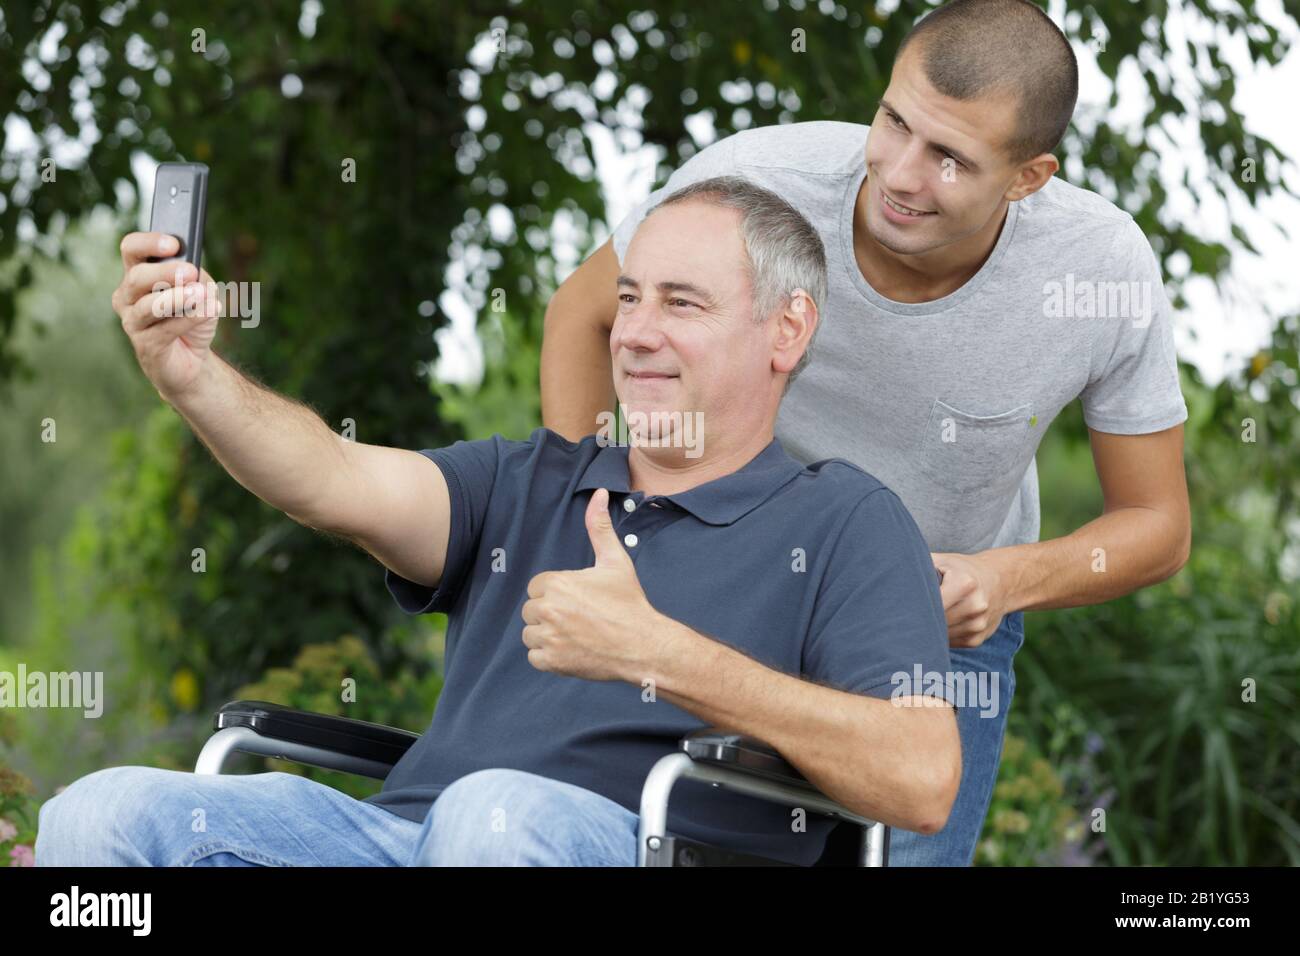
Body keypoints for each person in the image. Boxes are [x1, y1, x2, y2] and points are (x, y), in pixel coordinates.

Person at [37, 176, 958, 867]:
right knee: (97, 814)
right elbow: (327, 477)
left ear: (787, 331)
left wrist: (659, 654)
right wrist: (192, 377)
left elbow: (920, 780)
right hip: (404, 840)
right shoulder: (530, 480)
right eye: (630, 296)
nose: (634, 332)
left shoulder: (846, 521)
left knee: (496, 816)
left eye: (682, 303)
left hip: (639, 846)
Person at [539, 0, 1191, 866]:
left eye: (949, 158)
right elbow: (580, 317)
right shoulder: (757, 182)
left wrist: (1004, 580)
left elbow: (1158, 524)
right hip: (718, 579)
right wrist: (589, 526)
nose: (899, 175)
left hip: (937, 630)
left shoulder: (1102, 270)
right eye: (893, 122)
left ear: (1029, 177)